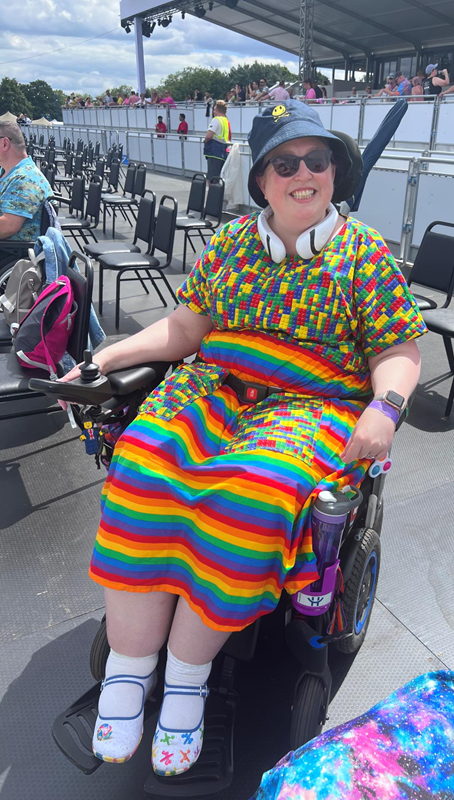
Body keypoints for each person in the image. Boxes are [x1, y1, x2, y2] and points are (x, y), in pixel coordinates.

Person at [58, 98, 425, 777]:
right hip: (217, 386)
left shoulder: (367, 256)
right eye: (286, 164)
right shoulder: (230, 245)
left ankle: (188, 683)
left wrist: (388, 404)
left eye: (318, 161)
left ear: (336, 173)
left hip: (311, 401)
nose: (303, 173)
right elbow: (185, 329)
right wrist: (103, 358)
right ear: (261, 180)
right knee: (140, 467)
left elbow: (399, 349)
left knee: (246, 497)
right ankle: (130, 674)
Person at [0, 121, 52, 244]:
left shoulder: (25, 178)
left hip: (11, 254)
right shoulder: (6, 171)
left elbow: (7, 227)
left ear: (4, 143)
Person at [203, 98, 231, 180]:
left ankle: (212, 192)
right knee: (218, 177)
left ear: (217, 110)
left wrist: (205, 141)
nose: (214, 112)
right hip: (222, 151)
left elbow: (209, 136)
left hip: (213, 151)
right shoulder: (226, 121)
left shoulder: (216, 120)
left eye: (214, 109)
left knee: (211, 178)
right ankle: (217, 192)